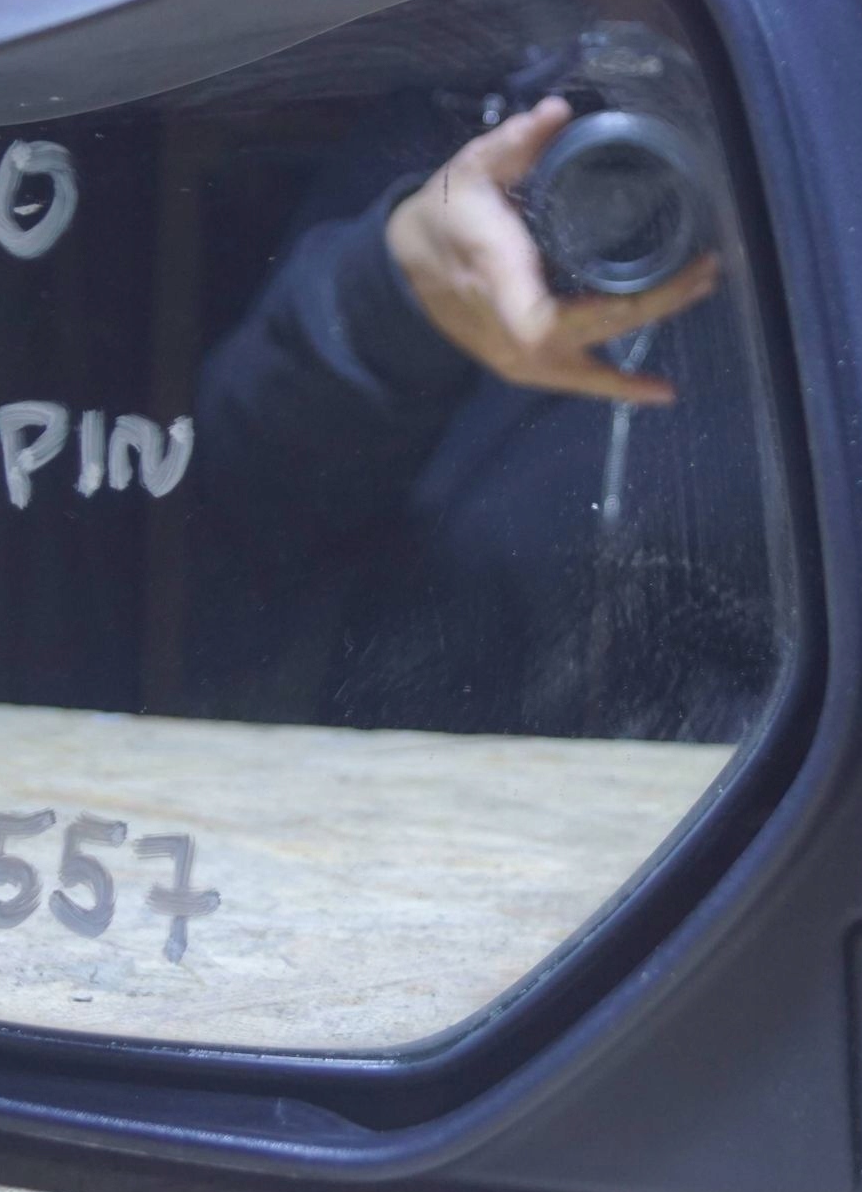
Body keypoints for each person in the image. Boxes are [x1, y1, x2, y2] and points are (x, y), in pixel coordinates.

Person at [184, 97, 784, 743]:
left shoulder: (813, 139)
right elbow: (236, 487)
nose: (621, 201)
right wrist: (392, 293)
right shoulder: (445, 121)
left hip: (781, 780)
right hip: (421, 764)